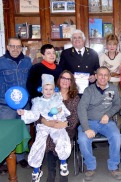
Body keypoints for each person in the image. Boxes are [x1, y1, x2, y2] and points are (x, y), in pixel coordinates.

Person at [17, 74, 71, 182]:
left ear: (54, 89)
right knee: (38, 145)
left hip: (57, 123)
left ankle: (63, 162)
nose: (48, 91)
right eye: (46, 89)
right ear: (42, 90)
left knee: (62, 137)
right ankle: (36, 170)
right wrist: (24, 113)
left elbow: (65, 112)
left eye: (51, 89)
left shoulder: (57, 98)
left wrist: (60, 112)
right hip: (43, 126)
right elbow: (34, 115)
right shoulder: (37, 102)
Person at [77, 66, 121, 181]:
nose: (103, 77)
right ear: (96, 76)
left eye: (105, 75)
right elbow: (81, 109)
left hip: (106, 122)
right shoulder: (89, 90)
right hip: (89, 122)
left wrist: (108, 114)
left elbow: (117, 105)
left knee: (117, 137)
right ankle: (90, 166)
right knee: (82, 139)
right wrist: (86, 128)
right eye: (100, 75)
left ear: (109, 77)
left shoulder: (113, 89)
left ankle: (113, 166)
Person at [41, 70, 80, 182]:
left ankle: (63, 175)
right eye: (63, 78)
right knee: (50, 137)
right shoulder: (50, 93)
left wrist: (65, 124)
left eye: (68, 79)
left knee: (62, 140)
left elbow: (75, 117)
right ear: (59, 79)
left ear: (71, 82)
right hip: (50, 127)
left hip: (67, 129)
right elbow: (40, 112)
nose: (65, 81)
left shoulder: (75, 97)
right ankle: (51, 173)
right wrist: (46, 122)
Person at [0, 37, 32, 171]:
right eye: (12, 46)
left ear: (22, 48)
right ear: (7, 47)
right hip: (6, 105)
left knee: (23, 131)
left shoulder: (27, 61)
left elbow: (31, 80)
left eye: (18, 46)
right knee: (7, 134)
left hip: (25, 104)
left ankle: (21, 157)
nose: (15, 49)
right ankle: (7, 160)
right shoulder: (1, 62)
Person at [99, 34, 121, 129]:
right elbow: (101, 73)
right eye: (109, 44)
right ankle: (107, 128)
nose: (112, 46)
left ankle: (119, 129)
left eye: (114, 44)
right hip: (106, 85)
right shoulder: (102, 57)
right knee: (107, 106)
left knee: (118, 107)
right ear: (106, 45)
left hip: (118, 85)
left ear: (117, 45)